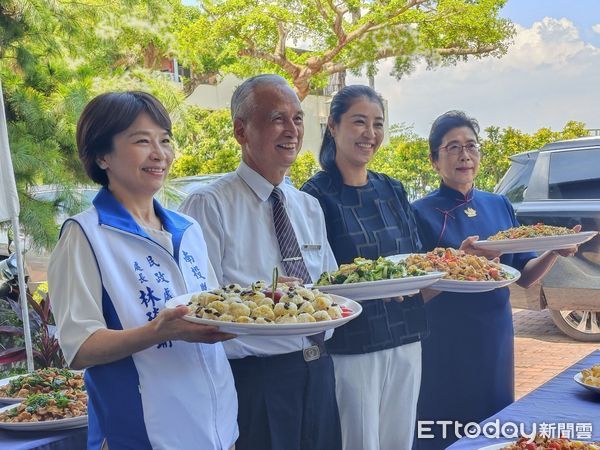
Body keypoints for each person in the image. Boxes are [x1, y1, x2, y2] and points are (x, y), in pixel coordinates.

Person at [48, 91, 238, 449]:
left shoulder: (188, 230)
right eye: (142, 141)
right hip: (141, 434)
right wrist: (156, 331)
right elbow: (79, 347)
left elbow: (214, 311)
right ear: (102, 155)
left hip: (216, 429)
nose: (160, 153)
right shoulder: (84, 235)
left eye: (164, 140)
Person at [179, 74, 342, 450]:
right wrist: (262, 297)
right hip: (256, 381)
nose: (292, 129)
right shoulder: (208, 206)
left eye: (298, 118)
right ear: (241, 130)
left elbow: (331, 290)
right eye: (277, 118)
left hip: (319, 370)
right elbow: (198, 304)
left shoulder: (308, 206)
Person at [412, 110, 580, 450]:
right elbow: (416, 287)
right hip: (445, 338)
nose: (465, 155)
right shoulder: (419, 212)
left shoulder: (499, 204)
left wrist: (553, 252)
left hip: (495, 336)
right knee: (442, 426)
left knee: (494, 426)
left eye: (471, 146)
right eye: (453, 147)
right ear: (434, 159)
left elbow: (525, 276)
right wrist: (462, 260)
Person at [301, 85, 427, 450]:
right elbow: (316, 278)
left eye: (377, 124)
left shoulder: (393, 189)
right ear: (333, 127)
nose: (370, 134)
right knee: (358, 441)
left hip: (406, 335)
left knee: (399, 440)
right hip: (352, 343)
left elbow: (414, 263)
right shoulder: (315, 195)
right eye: (359, 122)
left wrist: (456, 267)